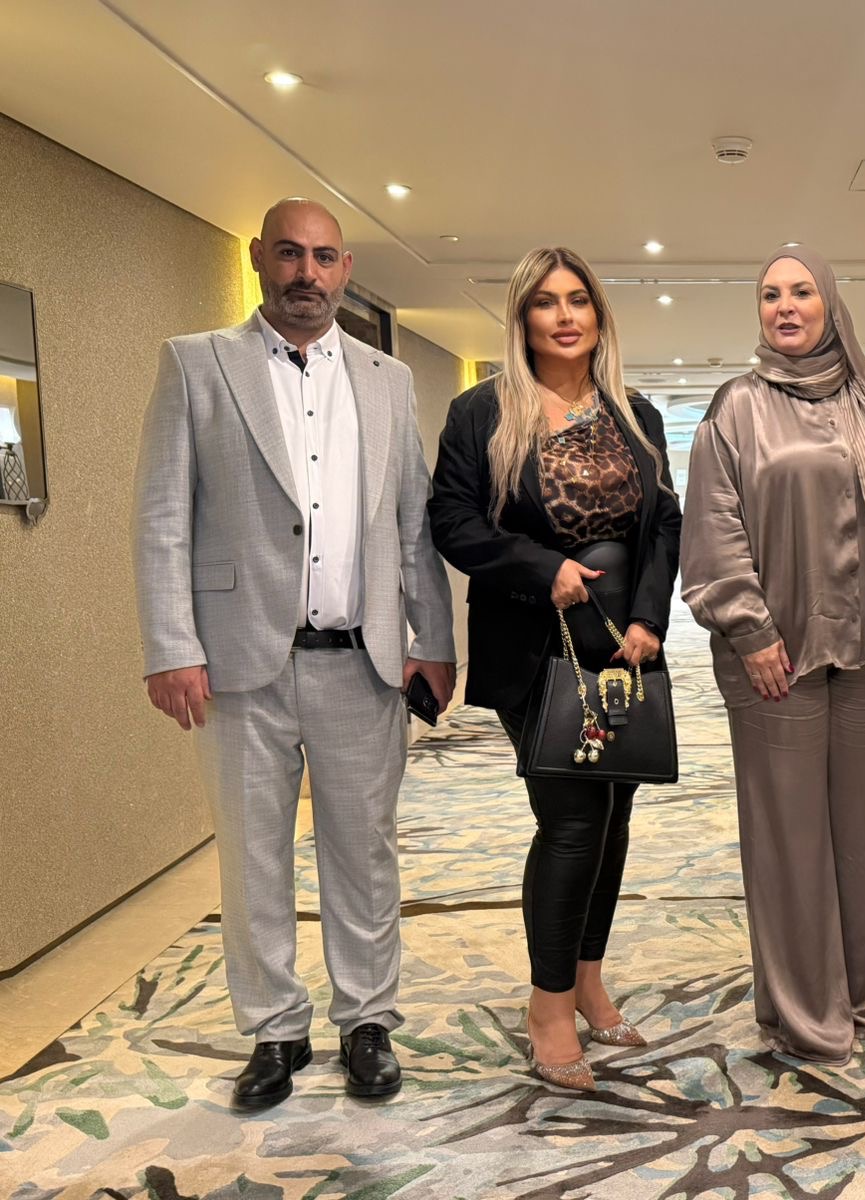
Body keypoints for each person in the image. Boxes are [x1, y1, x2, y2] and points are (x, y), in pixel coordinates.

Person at [132, 198, 456, 1109]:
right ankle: (275, 1030)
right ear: (258, 259)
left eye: (322, 257)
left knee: (365, 852)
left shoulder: (389, 379)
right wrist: (170, 643)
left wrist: (434, 638)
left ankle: (367, 1020)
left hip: (363, 662)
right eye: (288, 254)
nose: (305, 273)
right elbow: (161, 516)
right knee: (252, 855)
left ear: (345, 269)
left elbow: (412, 522)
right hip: (240, 664)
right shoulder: (198, 364)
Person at [680, 246, 865, 1065]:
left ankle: (859, 990)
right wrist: (750, 630)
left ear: (829, 303)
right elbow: (714, 527)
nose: (784, 307)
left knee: (860, 833)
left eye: (800, 292)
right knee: (789, 837)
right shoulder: (737, 407)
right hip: (776, 656)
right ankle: (804, 1010)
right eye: (769, 295)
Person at [429, 247, 680, 1092]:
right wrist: (545, 570)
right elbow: (452, 521)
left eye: (578, 301)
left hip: (620, 646)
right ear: (522, 318)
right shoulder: (482, 412)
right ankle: (548, 1006)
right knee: (572, 818)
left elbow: (665, 522)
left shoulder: (635, 414)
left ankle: (588, 978)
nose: (565, 316)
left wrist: (648, 618)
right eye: (545, 302)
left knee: (614, 815)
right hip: (533, 643)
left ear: (599, 317)